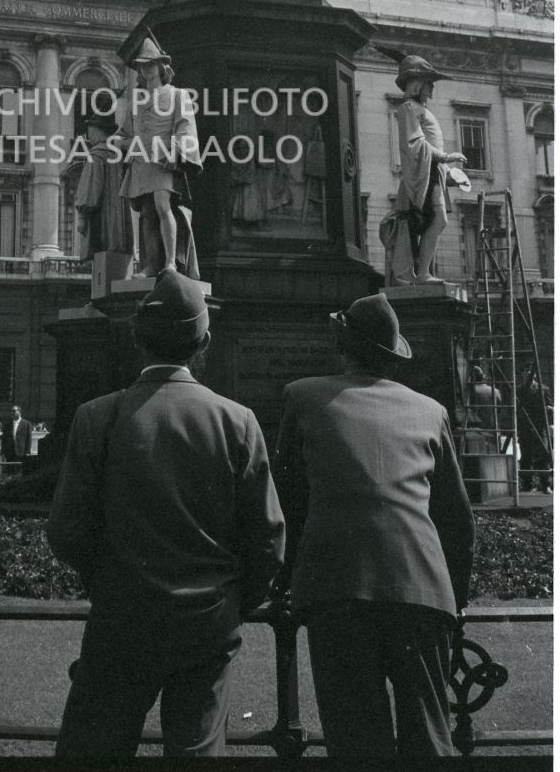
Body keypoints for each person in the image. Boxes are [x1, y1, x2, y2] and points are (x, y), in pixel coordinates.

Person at [47, 269, 285, 759]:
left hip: (122, 616)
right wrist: (233, 601)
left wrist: (108, 580)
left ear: (137, 339)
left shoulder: (96, 416)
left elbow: (67, 530)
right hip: (208, 622)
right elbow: (267, 537)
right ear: (204, 343)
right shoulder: (238, 421)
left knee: (92, 751)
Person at [275, 292, 475, 762]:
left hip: (338, 590)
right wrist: (456, 600)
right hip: (423, 593)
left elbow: (288, 503)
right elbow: (457, 521)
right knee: (430, 742)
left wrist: (283, 580)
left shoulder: (302, 397)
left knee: (357, 745)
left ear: (341, 345)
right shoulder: (431, 412)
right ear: (393, 357)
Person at [116, 33, 202, 277]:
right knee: (146, 214)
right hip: (141, 163)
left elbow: (185, 127)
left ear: (161, 66)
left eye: (151, 64)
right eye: (143, 66)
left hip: (163, 161)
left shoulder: (177, 94)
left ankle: (171, 262)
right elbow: (122, 135)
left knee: (163, 206)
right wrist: (127, 144)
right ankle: (152, 264)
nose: (147, 70)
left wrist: (175, 151)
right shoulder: (136, 103)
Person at [390, 55, 467, 284]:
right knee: (437, 219)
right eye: (429, 83)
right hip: (424, 175)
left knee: (436, 221)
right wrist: (447, 157)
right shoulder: (408, 108)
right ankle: (422, 273)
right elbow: (415, 144)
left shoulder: (421, 110)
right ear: (418, 84)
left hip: (433, 173)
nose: (432, 89)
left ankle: (423, 272)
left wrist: (448, 172)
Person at [75, 111, 135, 260]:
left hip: (101, 223)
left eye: (90, 132)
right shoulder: (118, 155)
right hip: (119, 228)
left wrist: (82, 215)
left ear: (97, 132)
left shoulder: (96, 155)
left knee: (101, 259)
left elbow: (90, 189)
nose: (89, 136)